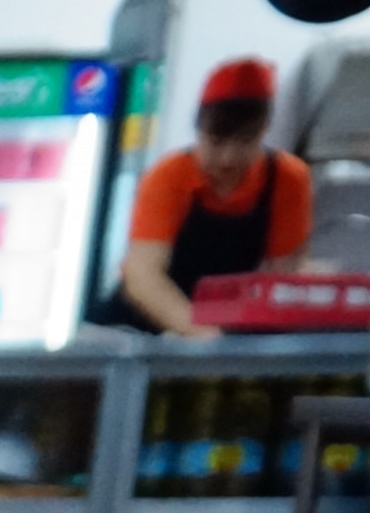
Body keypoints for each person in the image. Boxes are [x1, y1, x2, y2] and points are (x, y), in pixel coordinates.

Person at [114, 58, 312, 337]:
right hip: (149, 328)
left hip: (227, 325)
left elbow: (284, 277)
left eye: (245, 141)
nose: (228, 159)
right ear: (198, 129)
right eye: (216, 141)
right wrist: (203, 335)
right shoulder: (168, 176)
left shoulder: (287, 178)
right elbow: (142, 277)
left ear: (264, 131)